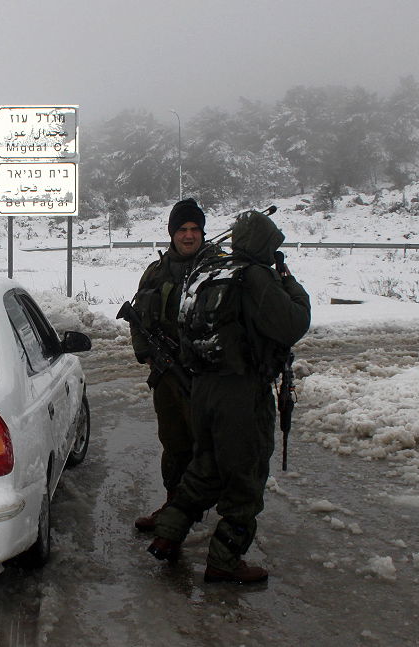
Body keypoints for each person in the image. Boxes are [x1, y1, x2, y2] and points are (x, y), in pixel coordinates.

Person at [147, 209, 311, 584]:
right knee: (245, 478)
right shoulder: (254, 276)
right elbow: (292, 324)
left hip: (204, 388)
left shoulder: (209, 272)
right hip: (241, 392)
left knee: (206, 467)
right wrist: (291, 284)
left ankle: (167, 535)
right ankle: (224, 560)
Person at [127, 198, 212, 532]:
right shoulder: (156, 272)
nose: (188, 236)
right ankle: (173, 505)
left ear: (202, 233)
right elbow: (137, 317)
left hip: (206, 377)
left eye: (194, 230)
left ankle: (212, 512)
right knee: (174, 444)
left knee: (208, 446)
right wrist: (145, 350)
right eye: (182, 230)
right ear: (172, 234)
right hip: (166, 375)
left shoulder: (218, 269)